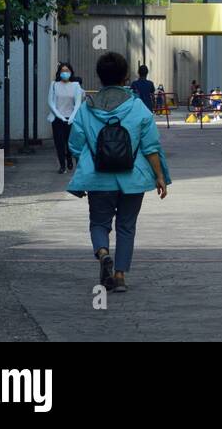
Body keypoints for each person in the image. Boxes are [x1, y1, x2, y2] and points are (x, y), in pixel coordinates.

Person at [68, 51, 170, 294]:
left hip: (97, 178)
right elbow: (151, 147)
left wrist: (84, 171)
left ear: (99, 77)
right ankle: (120, 275)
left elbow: (75, 144)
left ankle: (103, 253)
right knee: (126, 226)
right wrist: (159, 176)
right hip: (132, 179)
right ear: (126, 77)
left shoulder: (85, 109)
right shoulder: (138, 108)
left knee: (99, 223)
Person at [47, 62, 85, 174]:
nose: (65, 73)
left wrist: (72, 117)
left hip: (71, 119)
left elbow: (78, 104)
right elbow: (50, 102)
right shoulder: (54, 85)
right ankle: (62, 165)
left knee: (69, 142)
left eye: (67, 71)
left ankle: (69, 158)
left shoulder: (76, 86)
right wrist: (60, 116)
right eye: (62, 71)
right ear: (59, 73)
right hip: (57, 119)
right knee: (59, 143)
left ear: (71, 72)